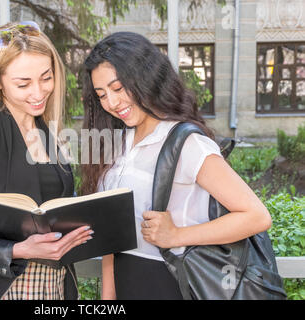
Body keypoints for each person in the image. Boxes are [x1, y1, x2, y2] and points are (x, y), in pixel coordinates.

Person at [80, 32, 272, 300]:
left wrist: (177, 235)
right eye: (101, 94)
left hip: (171, 281)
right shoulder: (118, 143)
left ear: (145, 77)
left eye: (118, 88)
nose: (111, 103)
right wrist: (108, 298)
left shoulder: (186, 142)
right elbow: (113, 233)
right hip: (126, 280)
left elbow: (256, 216)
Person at [0, 21, 93, 300]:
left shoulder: (51, 137)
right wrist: (19, 250)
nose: (38, 92)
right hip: (1, 290)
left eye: (46, 78)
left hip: (56, 287)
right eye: (23, 83)